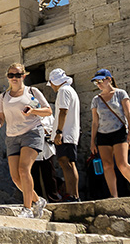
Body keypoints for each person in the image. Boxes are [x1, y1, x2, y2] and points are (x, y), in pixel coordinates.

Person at [0, 63, 52, 218]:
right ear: (7, 77)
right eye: (11, 75)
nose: (14, 78)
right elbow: (0, 116)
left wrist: (33, 111)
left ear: (23, 76)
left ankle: (27, 209)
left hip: (31, 132)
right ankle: (38, 201)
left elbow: (48, 111)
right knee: (15, 177)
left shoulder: (32, 92)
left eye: (17, 75)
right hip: (12, 136)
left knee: (24, 169)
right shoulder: (3, 97)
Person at [90, 68, 130, 198]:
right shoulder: (96, 99)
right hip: (103, 134)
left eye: (101, 81)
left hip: (119, 131)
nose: (98, 84)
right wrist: (92, 141)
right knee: (107, 165)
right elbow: (95, 122)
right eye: (96, 82)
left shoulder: (120, 93)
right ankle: (114, 196)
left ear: (109, 79)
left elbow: (128, 113)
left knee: (122, 163)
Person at [48, 68, 81, 201]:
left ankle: (71, 194)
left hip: (65, 132)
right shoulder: (71, 90)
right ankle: (75, 194)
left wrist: (58, 132)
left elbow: (63, 111)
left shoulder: (63, 91)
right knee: (71, 163)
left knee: (64, 162)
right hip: (71, 132)